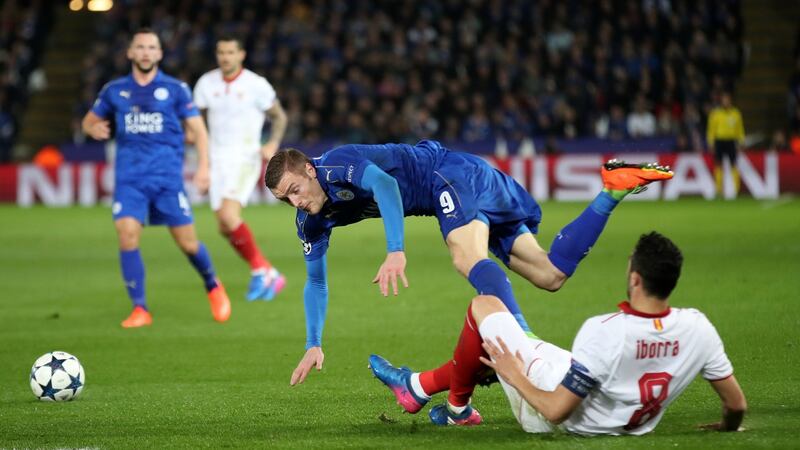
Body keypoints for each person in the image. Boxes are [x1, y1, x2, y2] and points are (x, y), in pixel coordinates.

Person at [264, 141, 673, 385]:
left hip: (447, 174)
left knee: (466, 256)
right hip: (467, 182)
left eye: (296, 190)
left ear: (310, 170)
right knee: (549, 274)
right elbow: (315, 283)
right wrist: (313, 342)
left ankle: (522, 341)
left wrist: (395, 248)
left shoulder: (338, 164)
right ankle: (612, 190)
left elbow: (386, 185)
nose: (296, 202)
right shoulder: (310, 221)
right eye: (286, 199)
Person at [370, 232, 747, 435]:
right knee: (503, 336)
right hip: (623, 418)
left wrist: (513, 373)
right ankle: (417, 387)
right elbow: (736, 406)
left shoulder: (604, 331)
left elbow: (554, 410)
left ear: (634, 277)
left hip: (552, 411)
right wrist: (726, 428)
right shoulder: (698, 327)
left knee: (484, 307)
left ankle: (455, 411)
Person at [81, 28, 231, 328]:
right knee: (127, 236)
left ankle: (213, 285)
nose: (146, 52)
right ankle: (140, 309)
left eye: (152, 47)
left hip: (167, 180)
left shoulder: (176, 90)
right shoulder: (115, 90)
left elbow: (199, 132)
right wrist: (91, 129)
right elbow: (89, 120)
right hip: (129, 180)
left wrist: (204, 168)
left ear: (160, 54)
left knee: (188, 244)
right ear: (131, 53)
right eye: (141, 47)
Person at [193, 35, 288, 301]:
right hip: (216, 159)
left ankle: (261, 271)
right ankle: (268, 271)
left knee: (227, 215)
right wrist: (192, 139)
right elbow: (196, 122)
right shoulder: (205, 84)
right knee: (224, 226)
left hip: (245, 157)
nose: (225, 57)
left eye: (230, 52)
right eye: (221, 52)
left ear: (241, 55)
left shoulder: (256, 85)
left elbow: (279, 116)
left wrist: (272, 143)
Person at [706, 92, 745, 196]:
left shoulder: (736, 113)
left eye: (727, 99)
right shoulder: (716, 113)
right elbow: (711, 129)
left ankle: (736, 190)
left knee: (734, 164)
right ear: (721, 101)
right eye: (724, 99)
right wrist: (711, 142)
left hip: (731, 141)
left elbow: (740, 129)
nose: (726, 101)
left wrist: (741, 140)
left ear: (730, 100)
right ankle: (718, 189)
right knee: (718, 164)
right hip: (719, 141)